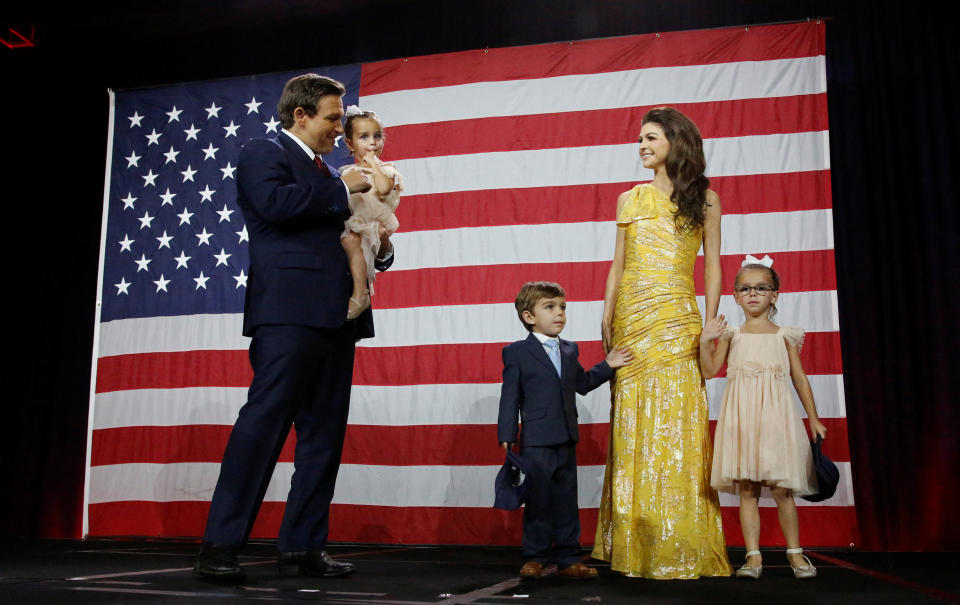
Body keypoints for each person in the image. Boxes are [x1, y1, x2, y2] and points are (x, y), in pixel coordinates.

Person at [194, 74, 395, 581]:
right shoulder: (264, 153)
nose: (339, 127)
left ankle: (303, 546)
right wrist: (338, 186)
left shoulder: (326, 168)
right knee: (262, 427)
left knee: (323, 437)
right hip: (287, 314)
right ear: (300, 115)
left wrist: (382, 249)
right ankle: (220, 545)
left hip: (339, 315)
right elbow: (275, 207)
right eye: (332, 117)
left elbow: (350, 232)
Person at [592, 107, 732, 579]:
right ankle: (633, 544)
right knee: (631, 421)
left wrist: (709, 319)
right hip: (633, 318)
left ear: (676, 141)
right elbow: (619, 262)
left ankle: (683, 543)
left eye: (650, 138)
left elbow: (712, 265)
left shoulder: (706, 200)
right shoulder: (628, 199)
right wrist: (607, 311)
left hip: (676, 316)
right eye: (640, 139)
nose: (642, 146)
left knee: (679, 422)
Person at [700, 258, 827, 580]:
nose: (753, 293)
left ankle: (795, 555)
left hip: (776, 416)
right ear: (736, 296)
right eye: (745, 288)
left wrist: (813, 418)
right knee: (747, 489)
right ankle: (753, 557)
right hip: (742, 418)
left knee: (783, 489)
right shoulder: (732, 333)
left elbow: (799, 377)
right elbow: (709, 370)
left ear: (774, 295)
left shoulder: (785, 334)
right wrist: (705, 340)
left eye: (761, 288)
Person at [498, 281, 633, 580]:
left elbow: (581, 384)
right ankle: (534, 556)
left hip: (566, 438)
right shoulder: (517, 352)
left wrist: (608, 365)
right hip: (536, 441)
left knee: (565, 499)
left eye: (562, 307)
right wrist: (507, 436)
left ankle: (569, 557)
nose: (559, 313)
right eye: (550, 307)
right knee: (538, 500)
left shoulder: (570, 350)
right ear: (528, 316)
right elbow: (511, 396)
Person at [339, 106, 401, 319]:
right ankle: (358, 293)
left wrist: (373, 164)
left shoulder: (387, 170)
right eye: (364, 137)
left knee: (353, 244)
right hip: (356, 227)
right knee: (349, 242)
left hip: (374, 224)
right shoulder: (345, 175)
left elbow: (383, 189)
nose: (373, 142)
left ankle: (360, 294)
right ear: (349, 143)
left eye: (378, 136)